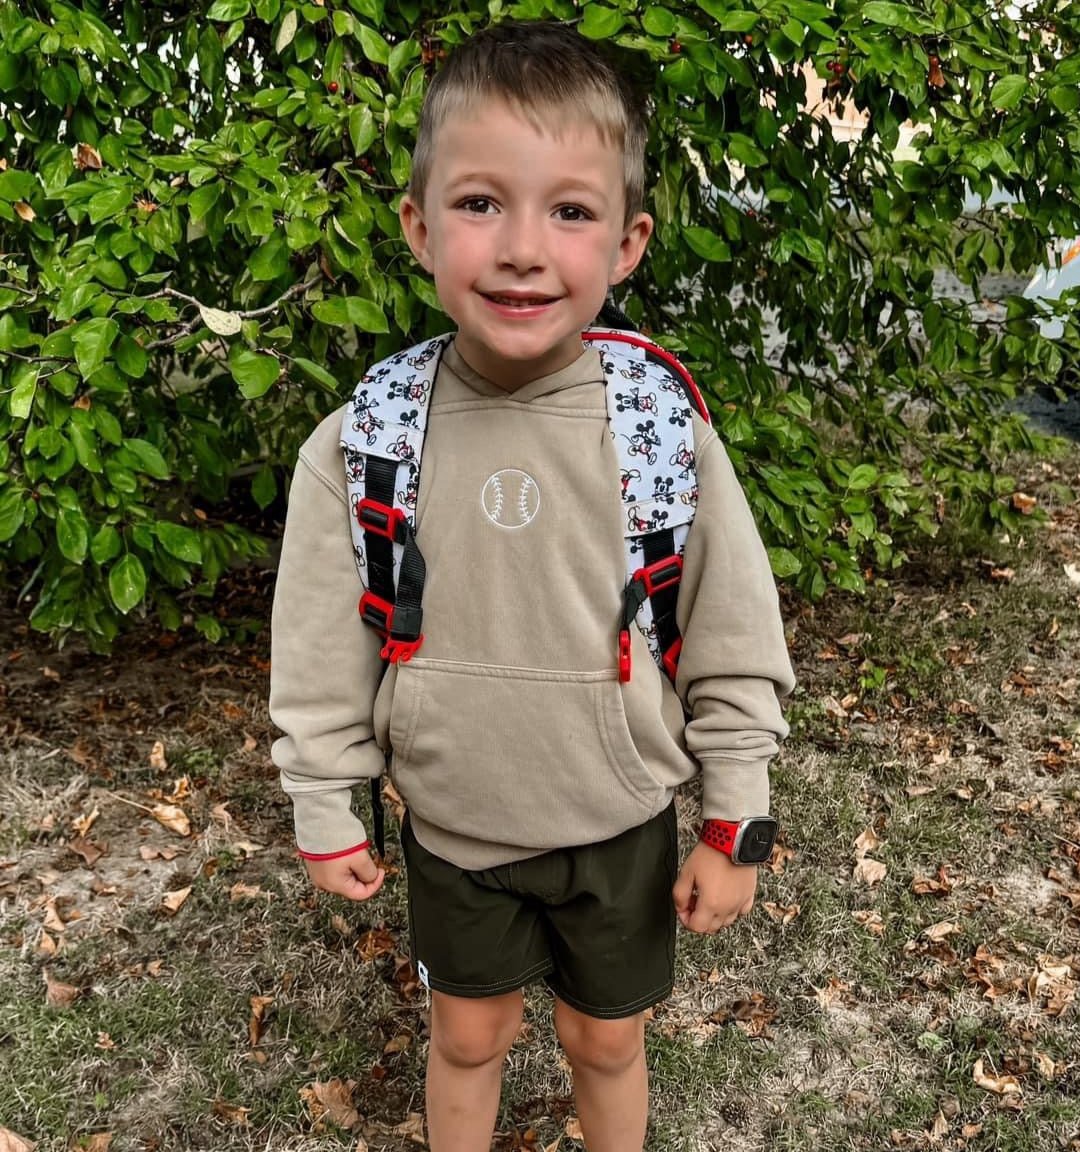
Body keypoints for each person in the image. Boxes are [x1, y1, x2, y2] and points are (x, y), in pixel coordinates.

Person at [269, 20, 795, 1152]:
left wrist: (734, 816)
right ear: (419, 227)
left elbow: (732, 633)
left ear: (627, 242)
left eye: (569, 211)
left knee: (607, 1042)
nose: (521, 249)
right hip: (454, 825)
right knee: (468, 1038)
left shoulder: (660, 431)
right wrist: (322, 798)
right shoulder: (369, 439)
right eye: (479, 203)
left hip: (619, 821)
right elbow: (317, 650)